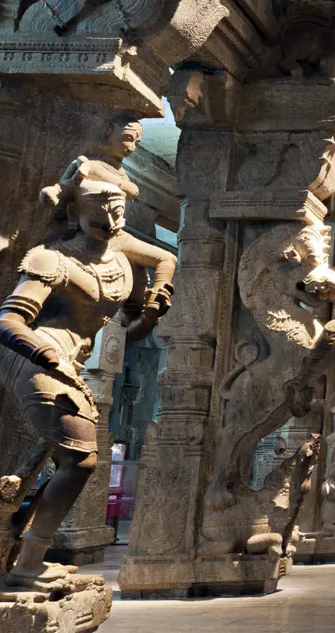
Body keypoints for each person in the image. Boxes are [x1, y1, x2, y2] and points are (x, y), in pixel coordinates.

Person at [0, 175, 174, 591]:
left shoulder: (119, 251)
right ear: (75, 212)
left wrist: (154, 303)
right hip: (35, 356)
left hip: (69, 363)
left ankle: (21, 555)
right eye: (100, 213)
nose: (111, 221)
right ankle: (28, 562)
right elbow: (7, 320)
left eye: (118, 213)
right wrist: (43, 353)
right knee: (80, 459)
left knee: (53, 463)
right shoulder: (50, 259)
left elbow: (164, 263)